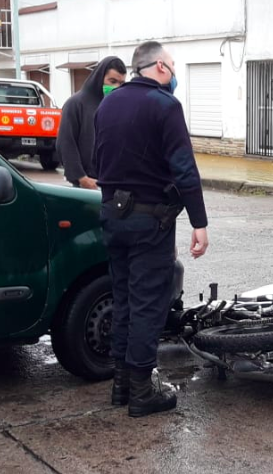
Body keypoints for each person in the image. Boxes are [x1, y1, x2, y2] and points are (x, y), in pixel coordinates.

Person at [95, 41, 209, 417]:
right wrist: (199, 222)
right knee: (147, 305)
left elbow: (99, 161)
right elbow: (184, 168)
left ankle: (121, 385)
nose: (174, 75)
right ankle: (142, 392)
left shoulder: (108, 103)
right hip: (150, 220)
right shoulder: (165, 105)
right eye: (173, 67)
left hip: (113, 215)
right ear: (159, 67)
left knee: (125, 299)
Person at [57, 56, 127, 189]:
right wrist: (81, 178)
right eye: (112, 81)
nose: (116, 87)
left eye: (121, 83)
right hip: (87, 184)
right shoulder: (76, 104)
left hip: (114, 184)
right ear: (100, 78)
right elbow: (66, 143)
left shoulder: (120, 106)